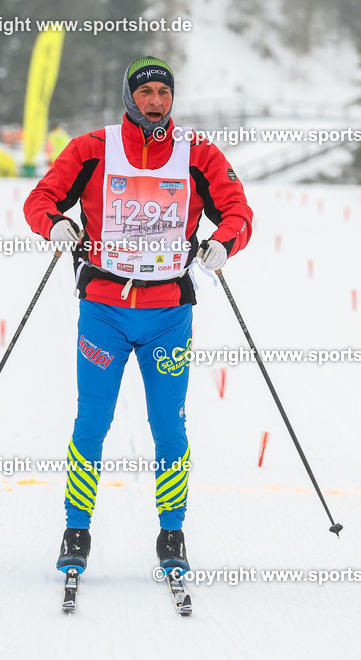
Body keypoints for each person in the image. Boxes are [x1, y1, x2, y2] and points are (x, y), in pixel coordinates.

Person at [24, 56, 253, 576]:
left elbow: (238, 211)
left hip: (169, 314)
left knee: (169, 428)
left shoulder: (199, 153)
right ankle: (75, 530)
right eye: (145, 92)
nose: (155, 101)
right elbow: (40, 199)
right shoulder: (93, 148)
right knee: (92, 423)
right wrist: (55, 225)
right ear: (129, 97)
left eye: (164, 93)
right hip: (103, 312)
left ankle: (172, 535)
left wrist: (223, 243)